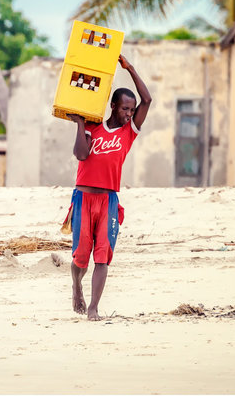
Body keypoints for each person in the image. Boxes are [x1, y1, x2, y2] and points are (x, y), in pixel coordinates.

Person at [66, 54, 151, 321]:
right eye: (125, 108)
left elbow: (147, 100)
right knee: (81, 257)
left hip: (108, 201)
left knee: (102, 257)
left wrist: (130, 68)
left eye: (131, 110)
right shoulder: (92, 127)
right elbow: (81, 155)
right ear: (113, 106)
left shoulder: (130, 132)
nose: (129, 114)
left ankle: (93, 308)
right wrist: (80, 124)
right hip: (83, 198)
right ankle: (76, 285)